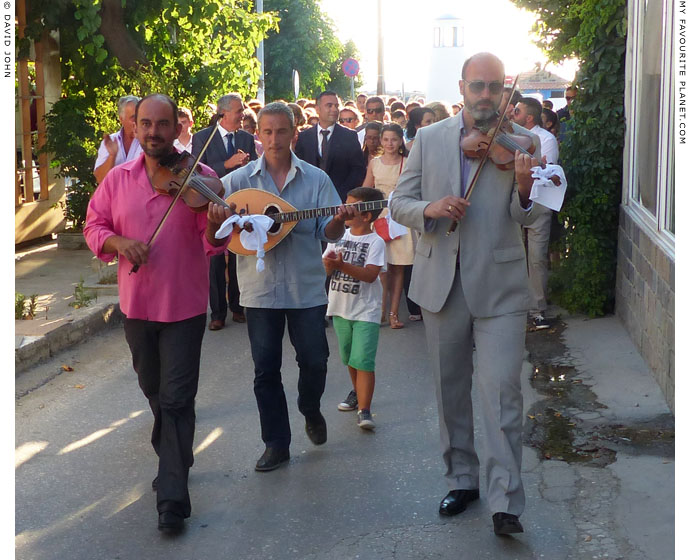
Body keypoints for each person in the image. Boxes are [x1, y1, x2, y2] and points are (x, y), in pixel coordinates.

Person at [390, 52, 545, 536]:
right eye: (476, 86)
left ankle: (506, 501)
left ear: (504, 93)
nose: (484, 96)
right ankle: (462, 477)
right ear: (461, 88)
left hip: (498, 286)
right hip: (440, 282)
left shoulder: (522, 144)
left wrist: (522, 188)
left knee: (501, 391)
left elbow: (532, 216)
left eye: (494, 87)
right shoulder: (430, 138)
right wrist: (431, 208)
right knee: (449, 388)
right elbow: (399, 202)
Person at [84, 94, 232, 535]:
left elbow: (215, 243)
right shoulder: (116, 179)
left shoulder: (200, 178)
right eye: (144, 123)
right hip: (137, 307)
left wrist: (212, 219)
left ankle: (172, 499)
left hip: (184, 307)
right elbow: (94, 226)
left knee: (176, 399)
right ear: (135, 127)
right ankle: (175, 452)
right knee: (154, 391)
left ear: (176, 128)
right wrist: (118, 243)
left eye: (161, 124)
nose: (152, 132)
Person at [221, 102, 356, 472]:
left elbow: (329, 230)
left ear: (294, 133)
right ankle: (276, 444)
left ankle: (310, 408)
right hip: (259, 289)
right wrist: (235, 225)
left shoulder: (316, 180)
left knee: (314, 360)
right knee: (265, 369)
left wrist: (339, 222)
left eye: (282, 131)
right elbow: (223, 226)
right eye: (267, 132)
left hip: (305, 287)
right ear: (258, 135)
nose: (274, 139)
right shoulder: (239, 182)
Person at [192, 93, 258, 331]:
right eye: (239, 110)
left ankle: (238, 307)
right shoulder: (202, 138)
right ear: (224, 113)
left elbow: (256, 170)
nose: (243, 114)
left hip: (241, 205)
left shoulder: (247, 138)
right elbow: (195, 173)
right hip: (213, 205)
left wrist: (248, 164)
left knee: (238, 255)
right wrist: (227, 165)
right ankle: (218, 313)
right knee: (216, 260)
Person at [324, 186, 386, 429]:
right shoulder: (339, 235)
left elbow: (371, 275)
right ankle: (356, 392)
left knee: (364, 361)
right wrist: (331, 265)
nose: (343, 210)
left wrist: (341, 266)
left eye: (350, 206)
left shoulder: (376, 241)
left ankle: (365, 410)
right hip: (340, 308)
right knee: (349, 357)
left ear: (366, 215)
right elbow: (327, 268)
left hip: (366, 311)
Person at [512, 96, 559, 329]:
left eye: (517, 111)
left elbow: (543, 172)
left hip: (538, 205)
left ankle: (537, 308)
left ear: (528, 117)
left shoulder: (546, 139)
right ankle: (516, 305)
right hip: (514, 203)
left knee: (537, 258)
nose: (513, 114)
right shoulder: (510, 136)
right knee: (514, 256)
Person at [362, 123, 412, 329]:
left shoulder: (407, 162)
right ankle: (380, 311)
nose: (389, 143)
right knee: (381, 269)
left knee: (398, 267)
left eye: (394, 139)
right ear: (381, 141)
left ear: (401, 141)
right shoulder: (374, 163)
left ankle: (393, 314)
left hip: (400, 216)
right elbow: (366, 188)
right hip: (379, 218)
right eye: (386, 139)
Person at [294, 90, 367, 203]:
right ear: (317, 109)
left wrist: (341, 195)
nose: (334, 109)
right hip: (310, 201)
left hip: (340, 201)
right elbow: (299, 168)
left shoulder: (349, 136)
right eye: (329, 105)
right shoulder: (304, 137)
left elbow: (358, 170)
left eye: (336, 106)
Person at [93, 95, 143, 184]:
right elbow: (100, 180)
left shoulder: (149, 141)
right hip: (114, 197)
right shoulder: (110, 141)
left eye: (141, 117)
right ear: (121, 119)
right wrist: (112, 156)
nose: (138, 122)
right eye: (133, 118)